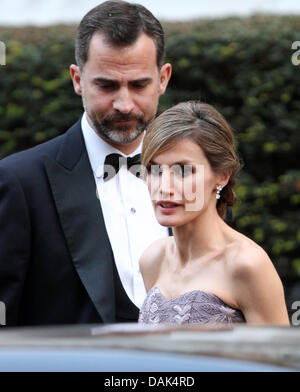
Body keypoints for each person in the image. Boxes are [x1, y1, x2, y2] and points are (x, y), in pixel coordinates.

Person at [0, 1, 172, 326]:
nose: (124, 104)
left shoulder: (196, 177)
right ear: (78, 79)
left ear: (162, 78)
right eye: (106, 85)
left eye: (139, 85)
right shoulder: (20, 182)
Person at [138, 101, 290, 325]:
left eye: (183, 171)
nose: (164, 186)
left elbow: (278, 358)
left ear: (222, 175)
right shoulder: (153, 259)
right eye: (154, 169)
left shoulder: (247, 265)